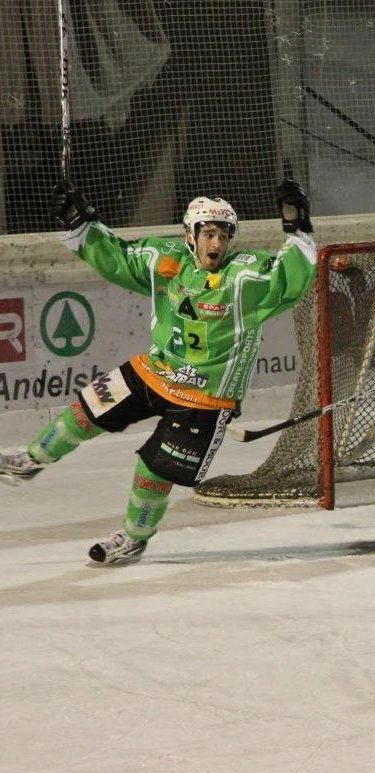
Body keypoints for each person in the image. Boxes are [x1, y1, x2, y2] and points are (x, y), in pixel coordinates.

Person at [0, 177, 317, 564]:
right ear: (190, 233)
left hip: (206, 397)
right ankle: (32, 460)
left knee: (153, 469)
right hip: (157, 371)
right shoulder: (165, 259)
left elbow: (290, 280)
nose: (216, 244)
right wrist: (79, 223)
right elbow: (119, 257)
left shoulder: (244, 277)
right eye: (209, 233)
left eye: (224, 235)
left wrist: (297, 226)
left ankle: (134, 537)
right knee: (86, 410)